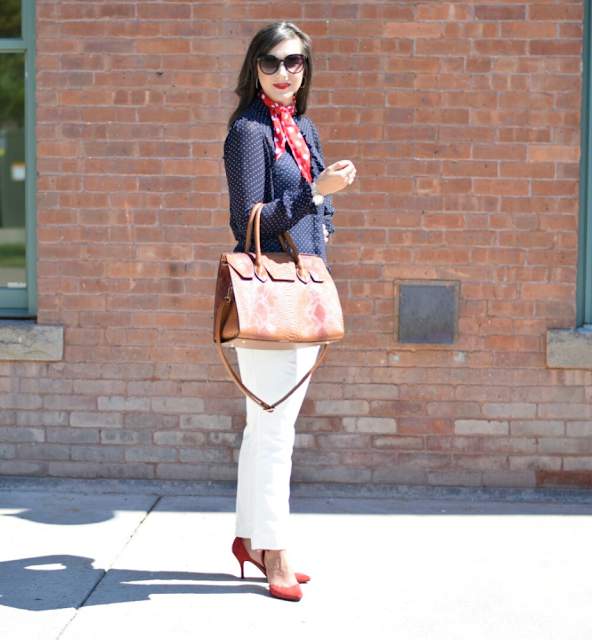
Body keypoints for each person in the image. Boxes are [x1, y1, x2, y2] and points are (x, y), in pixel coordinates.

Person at [223, 21, 356, 602]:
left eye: (294, 62)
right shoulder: (248, 131)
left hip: (301, 290)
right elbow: (246, 221)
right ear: (255, 69)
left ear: (306, 69)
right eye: (271, 63)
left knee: (266, 427)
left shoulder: (304, 128)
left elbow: (310, 213)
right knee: (276, 430)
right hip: (268, 295)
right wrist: (316, 193)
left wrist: (322, 218)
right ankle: (274, 550)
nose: (283, 73)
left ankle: (251, 538)